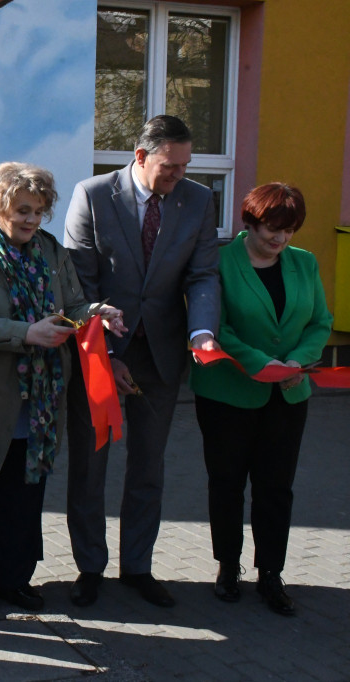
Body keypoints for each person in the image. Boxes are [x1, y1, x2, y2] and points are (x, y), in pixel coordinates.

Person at [0, 163, 125, 617]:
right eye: (22, 210)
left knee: (20, 500)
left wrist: (97, 312)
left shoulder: (51, 251)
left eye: (39, 211)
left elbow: (74, 305)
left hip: (38, 402)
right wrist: (28, 333)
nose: (32, 220)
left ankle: (13, 579)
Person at [64, 114, 221, 608]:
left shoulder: (198, 200)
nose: (179, 174)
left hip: (162, 354)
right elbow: (79, 284)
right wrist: (107, 356)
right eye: (170, 166)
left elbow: (203, 274)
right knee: (90, 465)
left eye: (185, 165)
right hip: (99, 352)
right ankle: (90, 567)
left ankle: (138, 566)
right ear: (140, 156)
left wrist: (202, 332)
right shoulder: (92, 195)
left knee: (148, 465)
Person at [190, 183, 332, 616]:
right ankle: (227, 566)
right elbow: (218, 325)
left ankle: (270, 572)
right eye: (272, 228)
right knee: (227, 483)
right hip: (228, 393)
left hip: (288, 392)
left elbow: (320, 322)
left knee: (276, 487)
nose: (280, 238)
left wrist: (297, 361)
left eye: (289, 231)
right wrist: (260, 362)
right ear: (250, 221)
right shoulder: (218, 261)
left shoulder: (304, 262)